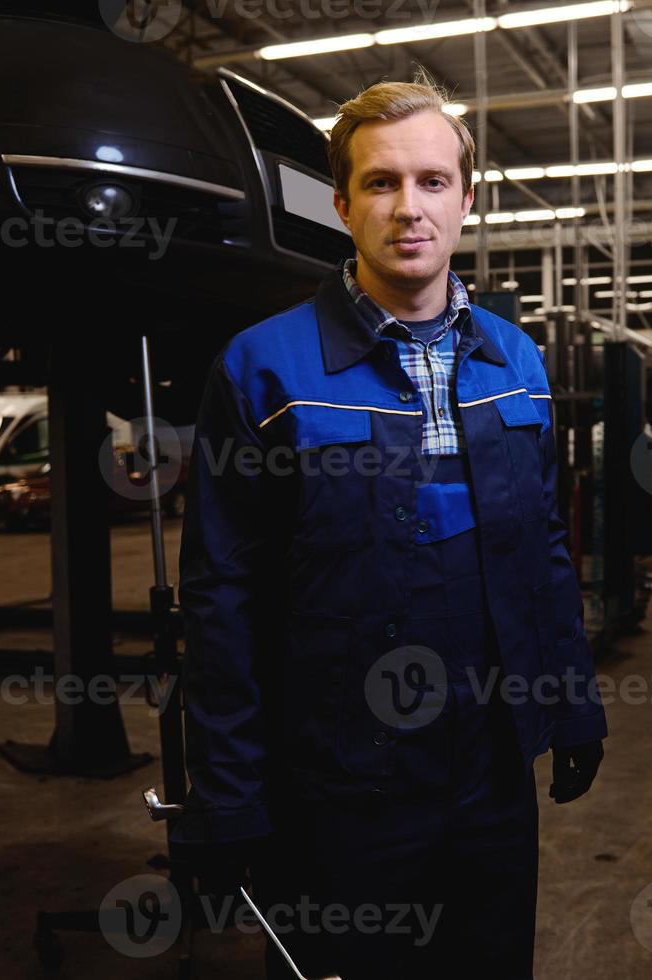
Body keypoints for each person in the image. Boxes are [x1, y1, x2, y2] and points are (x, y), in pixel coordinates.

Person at [172, 70, 607, 979]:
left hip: (491, 773)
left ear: (466, 199)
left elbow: (545, 553)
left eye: (432, 181)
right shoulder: (264, 371)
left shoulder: (516, 360)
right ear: (341, 203)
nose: (409, 208)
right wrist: (228, 799)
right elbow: (223, 599)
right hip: (339, 783)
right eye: (380, 182)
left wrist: (570, 704)